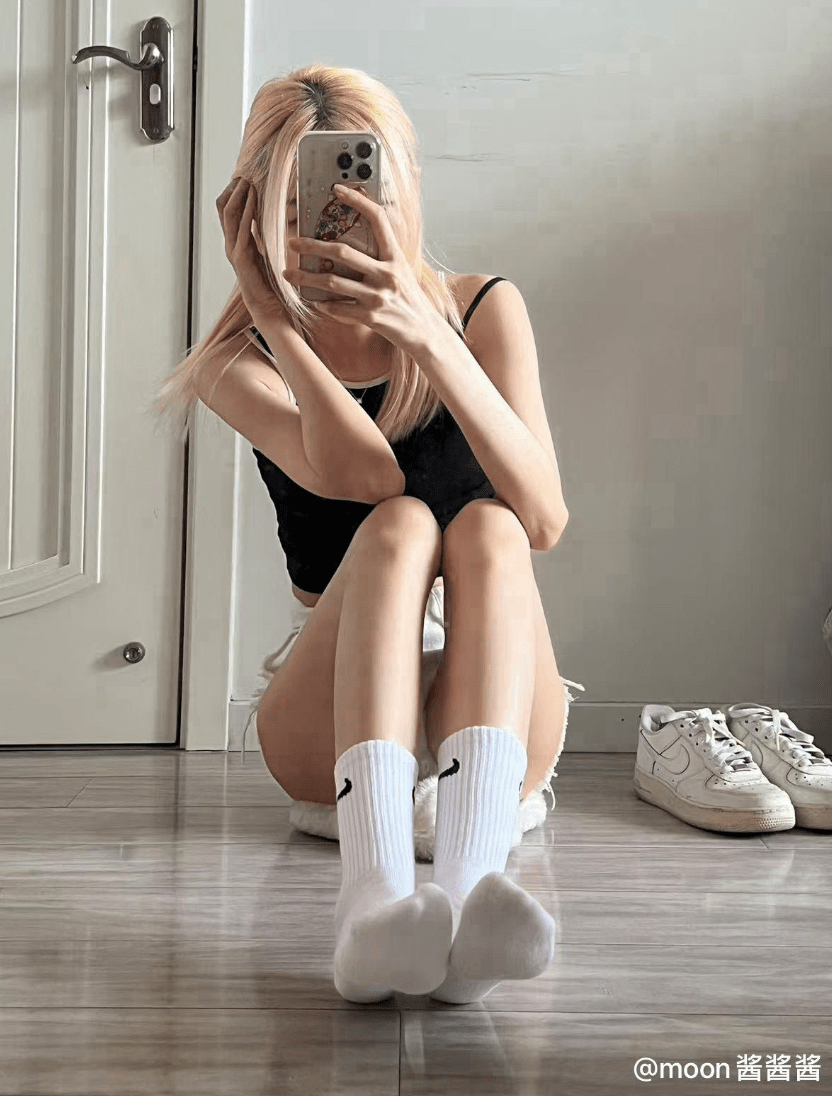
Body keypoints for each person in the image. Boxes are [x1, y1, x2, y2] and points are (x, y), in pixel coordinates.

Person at [153, 64, 581, 1005]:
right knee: (400, 524)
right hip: (332, 693)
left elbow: (545, 518)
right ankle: (370, 901)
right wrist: (276, 317)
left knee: (493, 530)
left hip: (494, 686)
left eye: (359, 189)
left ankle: (471, 893)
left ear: (406, 185)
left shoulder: (483, 308)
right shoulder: (237, 361)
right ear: (257, 213)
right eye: (301, 202)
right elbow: (369, 481)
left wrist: (428, 335)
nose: (332, 222)